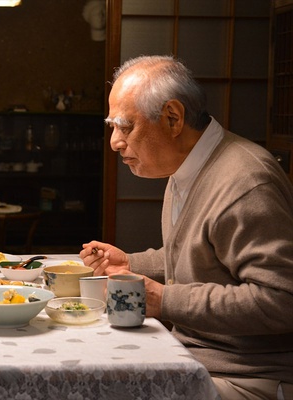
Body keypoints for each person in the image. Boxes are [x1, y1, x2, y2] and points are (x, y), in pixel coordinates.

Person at [80, 55, 293, 400]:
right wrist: (132, 263)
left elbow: (282, 299)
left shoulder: (245, 181)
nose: (115, 142)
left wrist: (164, 300)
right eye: (113, 128)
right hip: (194, 356)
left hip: (250, 376)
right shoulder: (188, 167)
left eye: (125, 127)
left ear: (173, 118)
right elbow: (205, 254)